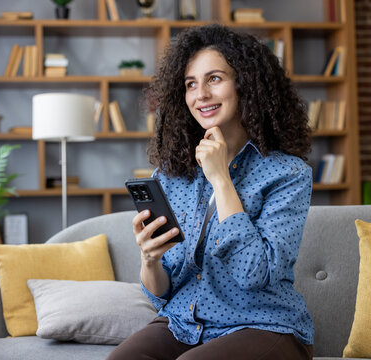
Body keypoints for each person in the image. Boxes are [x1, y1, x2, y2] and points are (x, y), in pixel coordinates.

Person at [107, 24, 314, 360]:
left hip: (263, 325)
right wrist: (150, 259)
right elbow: (162, 293)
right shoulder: (172, 175)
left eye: (214, 78)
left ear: (246, 85)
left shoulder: (287, 174)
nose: (200, 94)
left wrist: (221, 178)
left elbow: (253, 274)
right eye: (191, 84)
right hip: (185, 323)